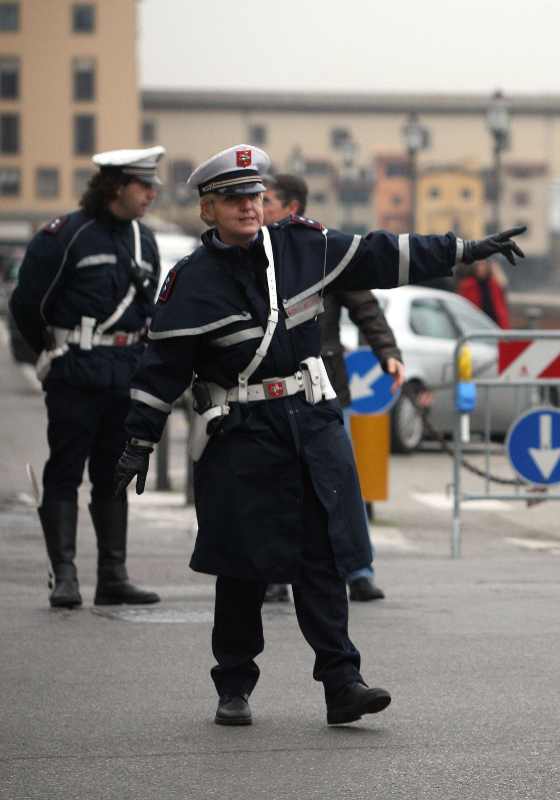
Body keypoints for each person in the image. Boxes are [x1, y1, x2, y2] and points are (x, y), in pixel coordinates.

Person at [112, 145, 524, 727]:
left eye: (254, 196)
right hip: (241, 432)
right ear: (208, 210)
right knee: (242, 566)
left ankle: (342, 682)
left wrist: (462, 250)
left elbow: (380, 253)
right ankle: (234, 684)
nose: (249, 207)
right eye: (234, 198)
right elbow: (161, 371)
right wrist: (138, 440)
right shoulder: (189, 282)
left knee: (324, 557)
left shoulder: (302, 247)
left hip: (312, 424)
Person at [9, 146, 166, 609]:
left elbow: (147, 309)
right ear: (116, 185)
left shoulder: (146, 240)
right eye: (144, 185)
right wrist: (54, 355)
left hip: (125, 372)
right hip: (76, 373)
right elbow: (25, 305)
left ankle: (112, 576)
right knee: (65, 470)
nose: (152, 193)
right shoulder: (65, 236)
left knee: (113, 474)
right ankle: (65, 576)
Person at [261, 172, 399, 603]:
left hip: (325, 386)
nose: (257, 208)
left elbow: (366, 307)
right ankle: (274, 573)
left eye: (267, 201)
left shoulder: (324, 251)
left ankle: (358, 569)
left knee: (338, 480)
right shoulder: (252, 251)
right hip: (270, 389)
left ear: (291, 208)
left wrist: (387, 351)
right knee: (276, 484)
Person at [457, 258, 510, 328]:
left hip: (494, 324)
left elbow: (500, 309)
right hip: (475, 324)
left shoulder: (494, 285)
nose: (481, 268)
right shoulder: (467, 285)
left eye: (483, 265)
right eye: (478, 265)